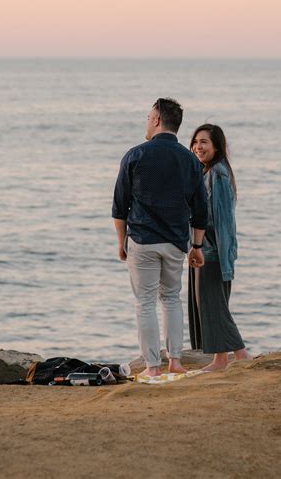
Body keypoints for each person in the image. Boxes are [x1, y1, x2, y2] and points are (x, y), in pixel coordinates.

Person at [112, 98, 207, 378]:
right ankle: (175, 361)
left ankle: (153, 366)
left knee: (145, 303)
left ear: (156, 120)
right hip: (176, 242)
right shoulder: (190, 159)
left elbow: (120, 206)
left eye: (148, 116)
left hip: (142, 240)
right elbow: (200, 209)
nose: (146, 121)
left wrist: (121, 242)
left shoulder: (135, 155)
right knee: (171, 299)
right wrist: (197, 246)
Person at [188, 123, 252, 371]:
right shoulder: (206, 173)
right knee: (210, 304)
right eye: (195, 141)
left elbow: (221, 220)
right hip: (204, 249)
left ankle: (240, 355)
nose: (197, 146)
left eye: (204, 142)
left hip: (212, 251)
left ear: (217, 146)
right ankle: (221, 359)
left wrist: (219, 255)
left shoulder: (218, 174)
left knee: (214, 305)